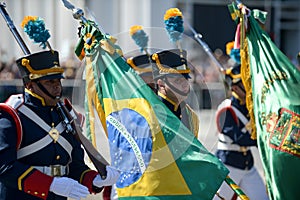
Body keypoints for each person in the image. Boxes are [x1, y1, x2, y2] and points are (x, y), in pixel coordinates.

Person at [0, 50, 119, 200]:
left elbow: (74, 165)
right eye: (49, 82)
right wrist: (49, 184)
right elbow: (4, 167)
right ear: (30, 85)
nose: (57, 87)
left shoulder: (66, 115)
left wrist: (93, 179)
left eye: (58, 81)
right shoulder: (12, 115)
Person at [213, 55, 269, 199]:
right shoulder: (226, 109)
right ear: (235, 88)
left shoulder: (251, 107)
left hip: (247, 164)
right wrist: (265, 140)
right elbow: (240, 138)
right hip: (228, 164)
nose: (250, 89)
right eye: (246, 85)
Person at [151, 48, 199, 137]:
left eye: (186, 79)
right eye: (178, 81)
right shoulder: (150, 113)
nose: (185, 84)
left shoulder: (191, 115)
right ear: (161, 84)